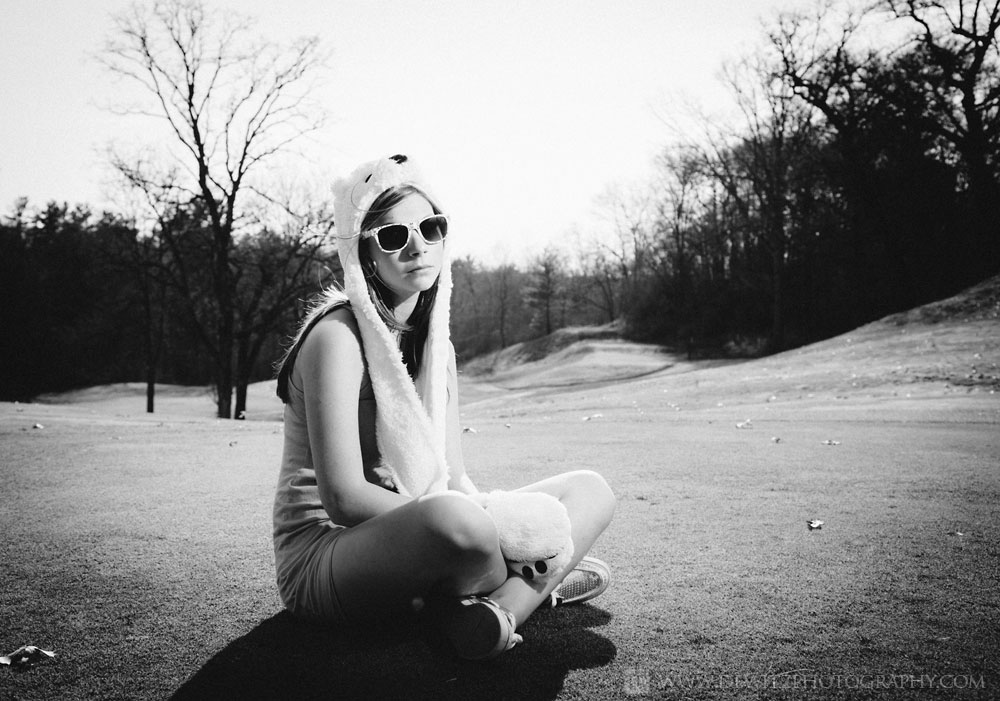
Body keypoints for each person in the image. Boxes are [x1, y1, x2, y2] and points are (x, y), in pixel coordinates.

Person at [272, 153, 616, 660]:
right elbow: (344, 498)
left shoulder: (439, 348)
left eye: (431, 228)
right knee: (463, 524)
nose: (417, 246)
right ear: (363, 253)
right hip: (328, 552)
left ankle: (497, 613)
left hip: (425, 523)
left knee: (591, 490)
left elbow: (452, 477)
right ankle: (533, 584)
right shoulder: (336, 337)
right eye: (393, 236)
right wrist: (498, 530)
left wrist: (476, 516)